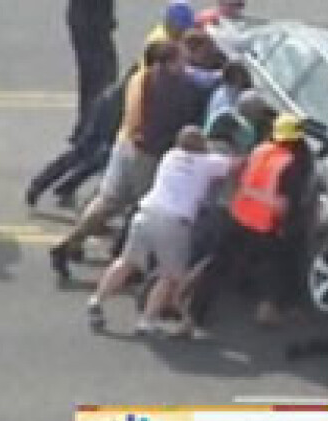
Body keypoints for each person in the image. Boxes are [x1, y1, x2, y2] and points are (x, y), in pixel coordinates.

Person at [50, 40, 208, 280]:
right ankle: (130, 264)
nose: (185, 65)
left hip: (124, 145)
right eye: (180, 61)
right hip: (147, 155)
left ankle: (70, 243)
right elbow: (186, 116)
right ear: (165, 64)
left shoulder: (139, 78)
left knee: (107, 201)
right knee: (144, 210)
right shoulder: (178, 91)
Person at [87, 125, 235, 333]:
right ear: (201, 146)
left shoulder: (170, 156)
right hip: (173, 223)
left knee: (126, 262)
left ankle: (97, 300)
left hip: (145, 215)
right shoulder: (207, 163)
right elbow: (236, 165)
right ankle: (147, 320)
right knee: (171, 276)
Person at [188, 113, 313, 327]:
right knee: (276, 269)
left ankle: (192, 309)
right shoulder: (290, 164)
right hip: (264, 225)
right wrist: (285, 225)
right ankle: (267, 312)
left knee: (217, 265)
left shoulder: (260, 150)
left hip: (238, 216)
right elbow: (282, 204)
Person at [67, 0, 118, 141]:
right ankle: (93, 128)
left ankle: (85, 124)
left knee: (90, 77)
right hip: (93, 24)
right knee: (102, 77)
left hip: (86, 20)